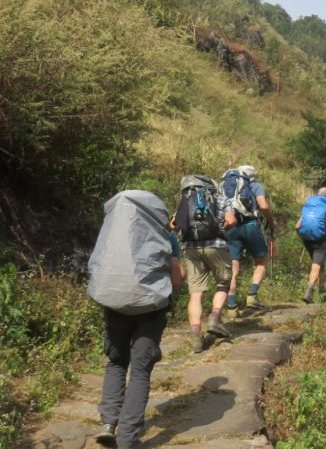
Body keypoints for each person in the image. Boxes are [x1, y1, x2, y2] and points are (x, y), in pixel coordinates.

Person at [87, 191, 184, 448]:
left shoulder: (110, 233)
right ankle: (129, 438)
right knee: (140, 370)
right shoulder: (165, 236)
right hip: (150, 310)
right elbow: (176, 278)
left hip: (114, 306)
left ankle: (108, 423)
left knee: (117, 363)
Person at [172, 175, 237, 354]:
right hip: (217, 246)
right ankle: (215, 318)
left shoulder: (184, 201)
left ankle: (196, 337)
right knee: (223, 283)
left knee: (195, 294)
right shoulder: (221, 199)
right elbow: (231, 220)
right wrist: (222, 228)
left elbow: (173, 225)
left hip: (191, 250)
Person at [225, 164, 275, 310]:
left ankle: (231, 305)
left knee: (234, 266)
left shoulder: (229, 187)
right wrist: (271, 222)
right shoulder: (255, 185)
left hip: (231, 226)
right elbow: (264, 206)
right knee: (261, 260)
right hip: (250, 225)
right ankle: (252, 296)